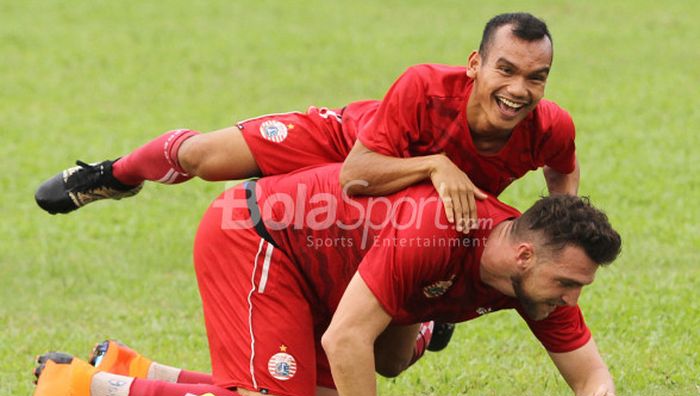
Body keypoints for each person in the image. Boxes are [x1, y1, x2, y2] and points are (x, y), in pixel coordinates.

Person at [24, 163, 627, 396]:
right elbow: (346, 340)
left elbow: (587, 371)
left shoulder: (534, 278)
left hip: (325, 280)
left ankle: (139, 370)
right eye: (569, 283)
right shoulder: (439, 233)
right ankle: (83, 384)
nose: (570, 299)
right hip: (260, 238)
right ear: (523, 254)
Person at [35, 12, 578, 232]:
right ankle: (116, 174)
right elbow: (357, 173)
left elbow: (562, 171)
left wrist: (563, 218)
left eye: (536, 77)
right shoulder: (425, 86)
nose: (518, 90)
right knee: (202, 157)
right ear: (475, 64)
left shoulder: (551, 126)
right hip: (345, 143)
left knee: (403, 299)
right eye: (505, 70)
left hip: (400, 213)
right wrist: (436, 164)